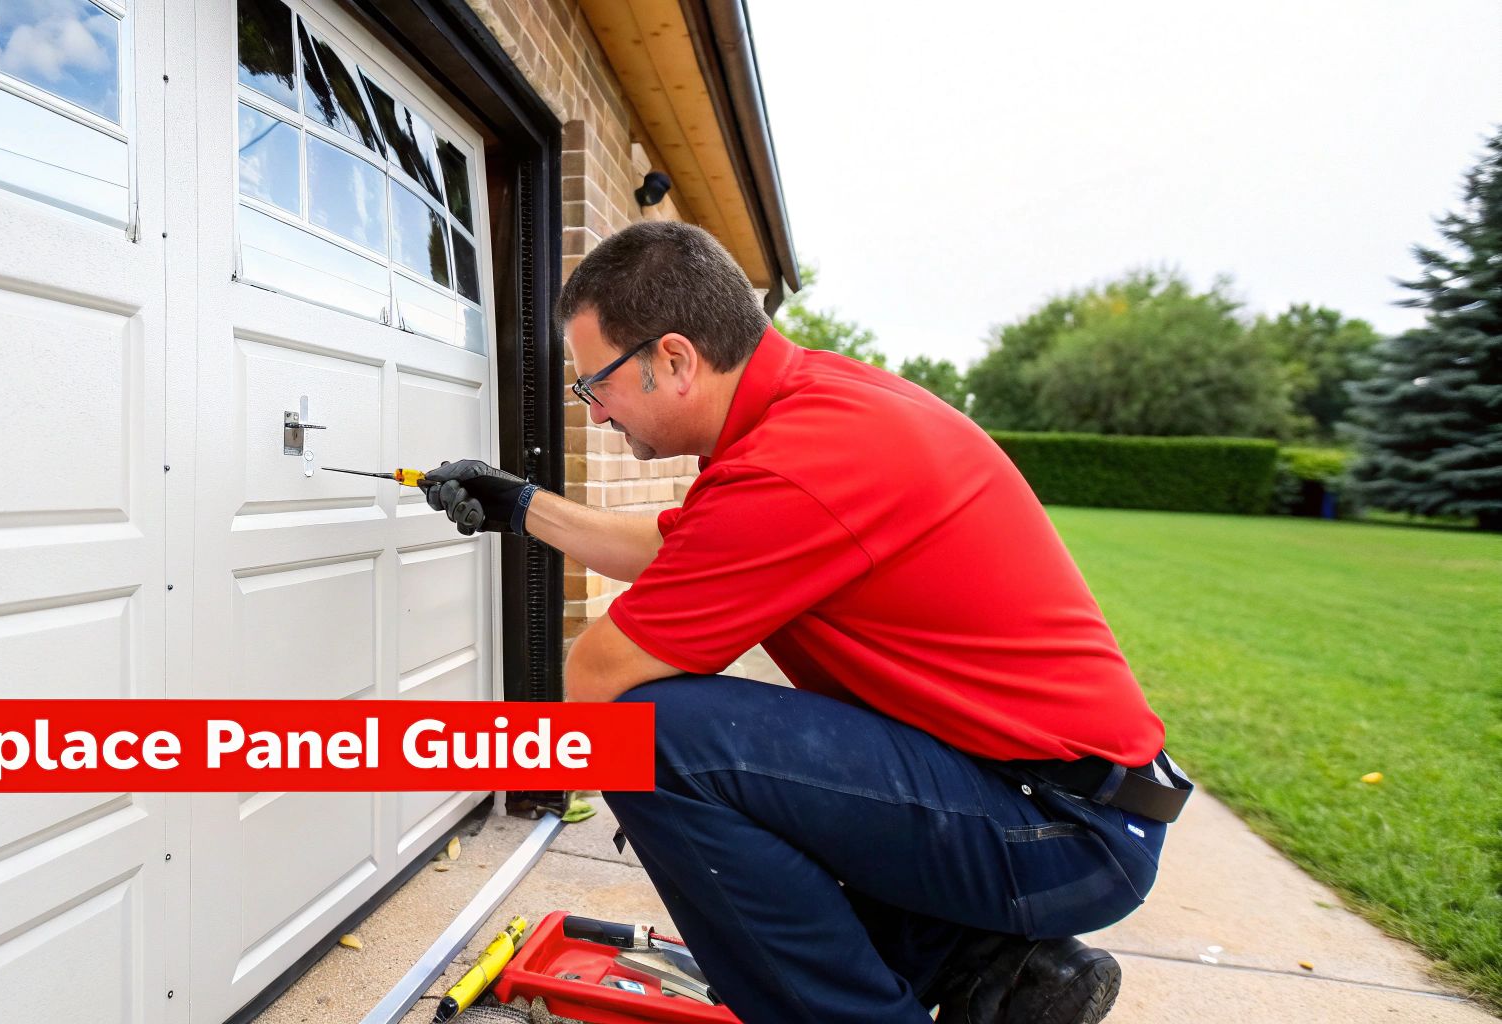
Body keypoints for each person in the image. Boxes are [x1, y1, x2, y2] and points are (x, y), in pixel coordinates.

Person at [421, 221, 1187, 1024]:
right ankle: (972, 960)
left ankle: (904, 982)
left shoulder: (794, 463)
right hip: (1049, 794)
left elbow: (598, 678)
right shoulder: (810, 411)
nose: (597, 412)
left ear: (674, 359)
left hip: (1060, 827)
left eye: (595, 385)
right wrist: (519, 506)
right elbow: (668, 548)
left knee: (651, 736)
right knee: (725, 774)